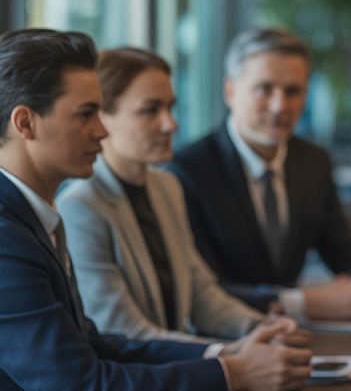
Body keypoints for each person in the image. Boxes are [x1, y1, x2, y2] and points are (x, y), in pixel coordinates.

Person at [0, 29, 312, 391]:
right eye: (86, 114)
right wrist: (233, 372)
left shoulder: (37, 217)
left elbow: (96, 344)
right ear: (25, 124)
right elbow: (83, 390)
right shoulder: (10, 234)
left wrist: (228, 353)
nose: (101, 129)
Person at [58, 47, 309, 349]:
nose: (170, 124)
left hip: (181, 372)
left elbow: (201, 293)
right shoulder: (79, 207)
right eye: (150, 110)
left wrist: (265, 328)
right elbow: (122, 331)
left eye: (170, 108)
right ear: (103, 116)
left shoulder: (167, 187)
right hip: (137, 383)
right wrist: (233, 355)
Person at [169, 27, 351, 320]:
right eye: (265, 89)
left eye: (293, 91)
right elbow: (199, 292)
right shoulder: (187, 172)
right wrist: (301, 302)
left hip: (297, 337)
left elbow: (343, 253)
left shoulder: (313, 161)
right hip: (222, 340)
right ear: (230, 91)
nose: (280, 106)